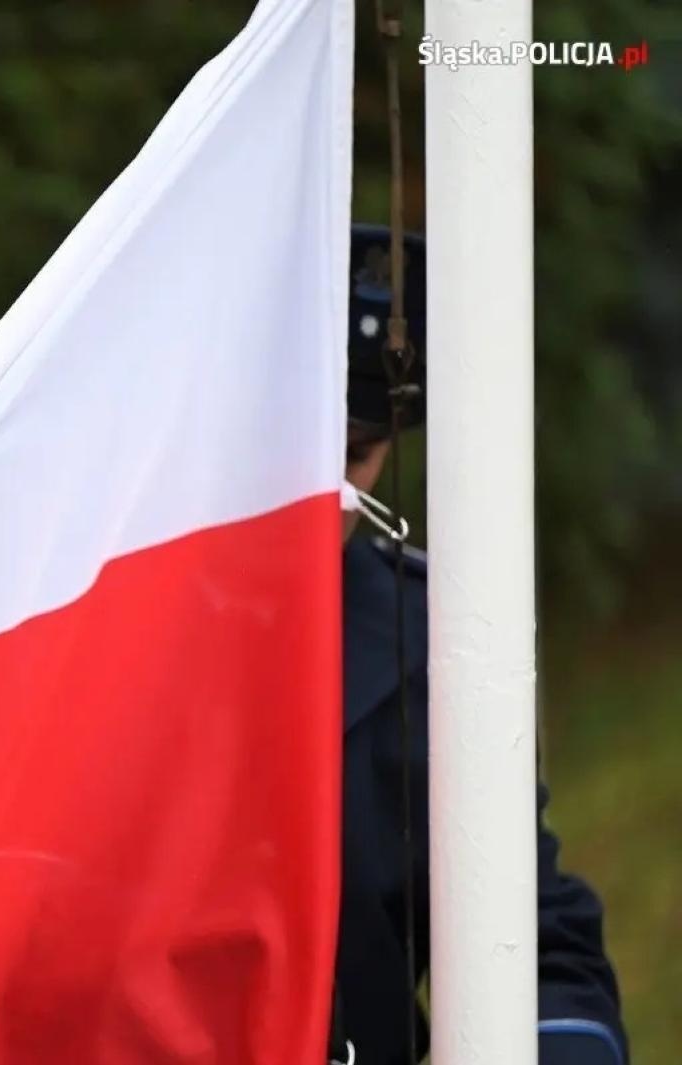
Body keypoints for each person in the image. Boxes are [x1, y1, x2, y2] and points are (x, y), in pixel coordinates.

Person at [334, 224, 627, 1065]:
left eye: (357, 453)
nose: (330, 489)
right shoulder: (67, 604)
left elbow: (530, 933)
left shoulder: (426, 641)